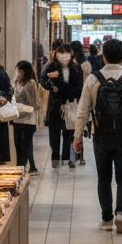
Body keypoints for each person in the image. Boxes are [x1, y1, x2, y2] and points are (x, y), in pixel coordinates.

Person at [73, 39, 122, 233]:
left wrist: (77, 136)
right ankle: (121, 213)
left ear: (103, 56)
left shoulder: (93, 79)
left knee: (104, 178)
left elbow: (83, 111)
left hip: (101, 137)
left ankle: (106, 220)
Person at [40, 43, 82, 171]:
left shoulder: (76, 68)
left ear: (71, 55)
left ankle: (70, 157)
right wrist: (52, 86)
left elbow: (79, 88)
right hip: (55, 104)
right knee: (54, 132)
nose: (63, 59)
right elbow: (43, 80)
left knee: (70, 131)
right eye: (60, 56)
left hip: (70, 104)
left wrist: (62, 86)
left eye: (66, 56)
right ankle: (55, 156)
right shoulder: (51, 66)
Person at [11, 60, 40, 174]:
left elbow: (34, 103)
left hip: (29, 119)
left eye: (20, 71)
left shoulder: (31, 83)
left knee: (25, 145)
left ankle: (22, 168)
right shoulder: (16, 82)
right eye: (17, 71)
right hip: (17, 117)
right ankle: (22, 167)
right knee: (17, 143)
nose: (18, 73)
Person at [0, 49, 14, 164]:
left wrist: (2, 96)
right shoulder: (1, 70)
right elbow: (10, 89)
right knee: (1, 144)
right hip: (1, 112)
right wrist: (5, 97)